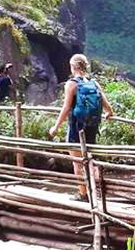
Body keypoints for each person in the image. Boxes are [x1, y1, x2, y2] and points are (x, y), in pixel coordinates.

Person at [48, 54, 115, 201]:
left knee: (77, 163)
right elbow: (107, 105)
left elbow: (66, 108)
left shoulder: (72, 84)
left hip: (76, 128)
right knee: (90, 160)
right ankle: (96, 192)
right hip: (91, 128)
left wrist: (56, 127)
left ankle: (83, 194)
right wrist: (109, 113)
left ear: (73, 67)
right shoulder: (94, 83)